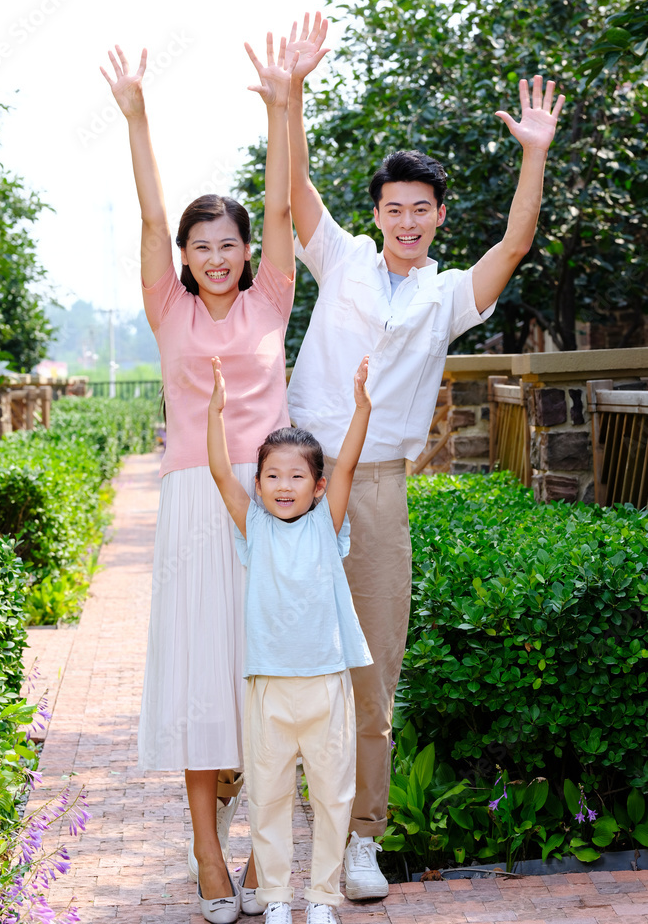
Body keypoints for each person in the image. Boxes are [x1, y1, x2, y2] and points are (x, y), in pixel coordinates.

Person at [283, 12, 566, 900]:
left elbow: (515, 245)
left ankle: (362, 837)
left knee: (372, 665)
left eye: (421, 210)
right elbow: (292, 198)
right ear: (377, 215)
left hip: (373, 490)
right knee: (275, 654)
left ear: (439, 218)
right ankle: (260, 827)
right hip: (291, 478)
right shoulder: (341, 261)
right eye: (392, 209)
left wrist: (535, 152)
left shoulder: (448, 295)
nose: (406, 222)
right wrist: (289, 97)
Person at [100, 34, 298, 923]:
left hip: (268, 507)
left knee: (265, 676)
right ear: (184, 255)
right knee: (198, 679)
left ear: (248, 250)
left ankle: (263, 846)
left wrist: (279, 108)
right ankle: (210, 854)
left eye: (230, 244)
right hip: (190, 506)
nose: (216, 257)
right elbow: (146, 218)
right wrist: (138, 117)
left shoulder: (271, 301)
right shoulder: (167, 308)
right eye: (201, 245)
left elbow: (289, 210)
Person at [207, 352, 373, 924]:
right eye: (273, 475)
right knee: (268, 800)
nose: (283, 485)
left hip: (326, 683)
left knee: (333, 798)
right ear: (260, 483)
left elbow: (349, 466)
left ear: (316, 485)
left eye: (297, 475)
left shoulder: (327, 526)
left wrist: (361, 409)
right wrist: (216, 411)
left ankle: (323, 899)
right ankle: (277, 897)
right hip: (269, 688)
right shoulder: (253, 526)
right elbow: (219, 472)